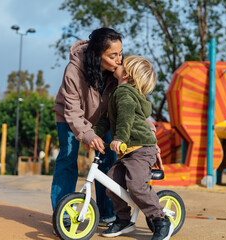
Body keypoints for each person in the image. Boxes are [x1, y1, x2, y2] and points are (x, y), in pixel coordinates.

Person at [94, 55, 174, 240]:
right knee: (112, 185)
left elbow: (126, 119)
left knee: (137, 185)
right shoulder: (117, 92)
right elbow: (106, 118)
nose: (118, 64)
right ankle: (123, 220)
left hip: (141, 148)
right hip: (128, 151)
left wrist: (119, 138)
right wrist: (94, 136)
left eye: (122, 64)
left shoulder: (125, 94)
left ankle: (161, 220)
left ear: (127, 75)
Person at [51, 27, 123, 226]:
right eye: (113, 55)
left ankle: (106, 211)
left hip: (102, 119)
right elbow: (72, 111)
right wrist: (88, 135)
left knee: (109, 157)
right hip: (68, 116)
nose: (119, 60)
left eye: (121, 53)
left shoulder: (118, 72)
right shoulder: (74, 70)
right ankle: (63, 213)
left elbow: (131, 104)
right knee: (68, 158)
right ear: (97, 55)